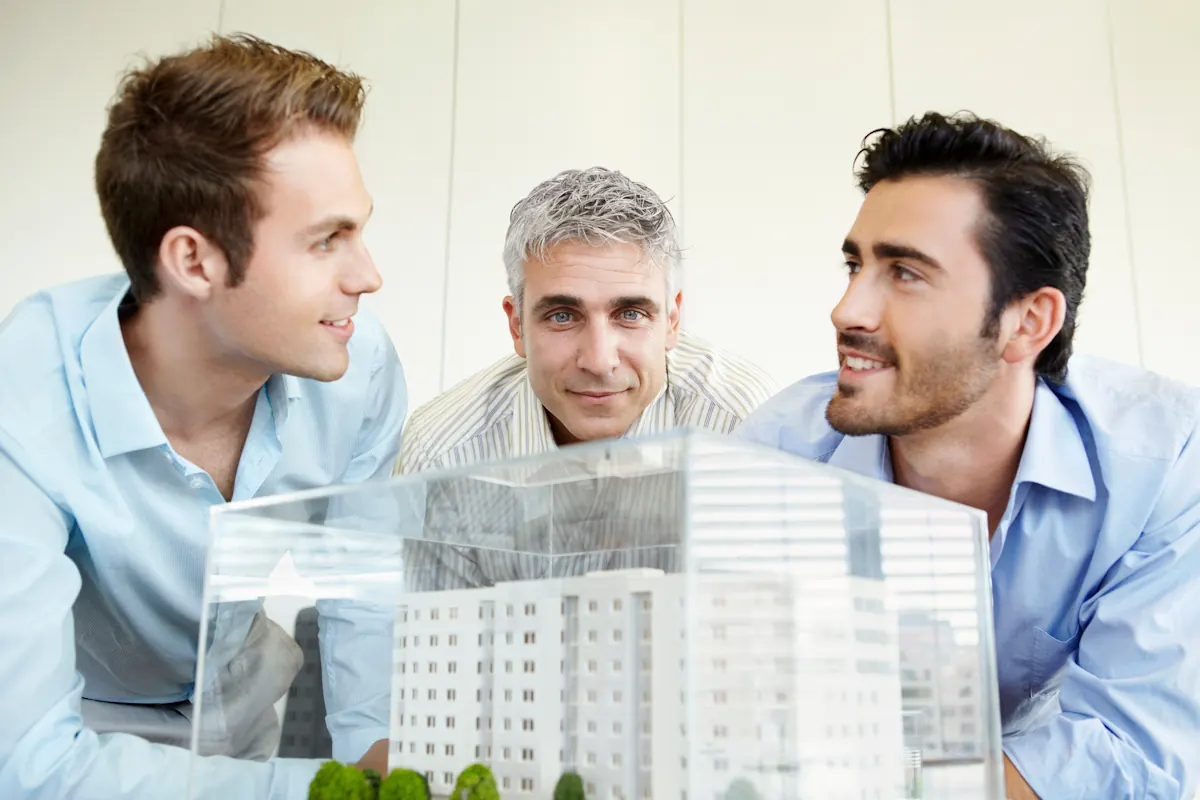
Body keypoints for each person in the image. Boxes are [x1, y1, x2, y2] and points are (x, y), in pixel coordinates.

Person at [737, 112, 1200, 799]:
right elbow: (736, 728)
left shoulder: (1161, 457)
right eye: (854, 265)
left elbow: (1131, 758)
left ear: (1028, 322)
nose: (846, 309)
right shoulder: (779, 457)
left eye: (905, 273)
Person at [0, 35, 404, 798]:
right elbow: (32, 766)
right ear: (193, 261)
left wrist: (379, 764)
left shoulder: (359, 366)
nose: (368, 276)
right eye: (327, 240)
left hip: (247, 711)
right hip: (85, 733)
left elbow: (359, 588)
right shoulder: (20, 405)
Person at [393, 167, 776, 590]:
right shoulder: (444, 456)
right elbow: (425, 640)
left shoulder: (741, 422)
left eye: (630, 314)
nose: (599, 360)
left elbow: (776, 630)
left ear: (672, 320)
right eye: (562, 316)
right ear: (517, 325)